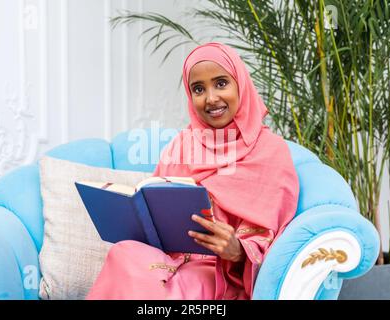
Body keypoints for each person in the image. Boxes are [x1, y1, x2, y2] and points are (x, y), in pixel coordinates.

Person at [86, 42, 299, 300]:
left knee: (179, 287)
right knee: (124, 252)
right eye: (198, 89)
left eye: (221, 83)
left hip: (218, 271)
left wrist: (237, 250)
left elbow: (270, 234)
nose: (211, 98)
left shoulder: (270, 151)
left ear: (240, 83)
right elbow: (154, 205)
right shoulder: (183, 143)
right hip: (168, 259)